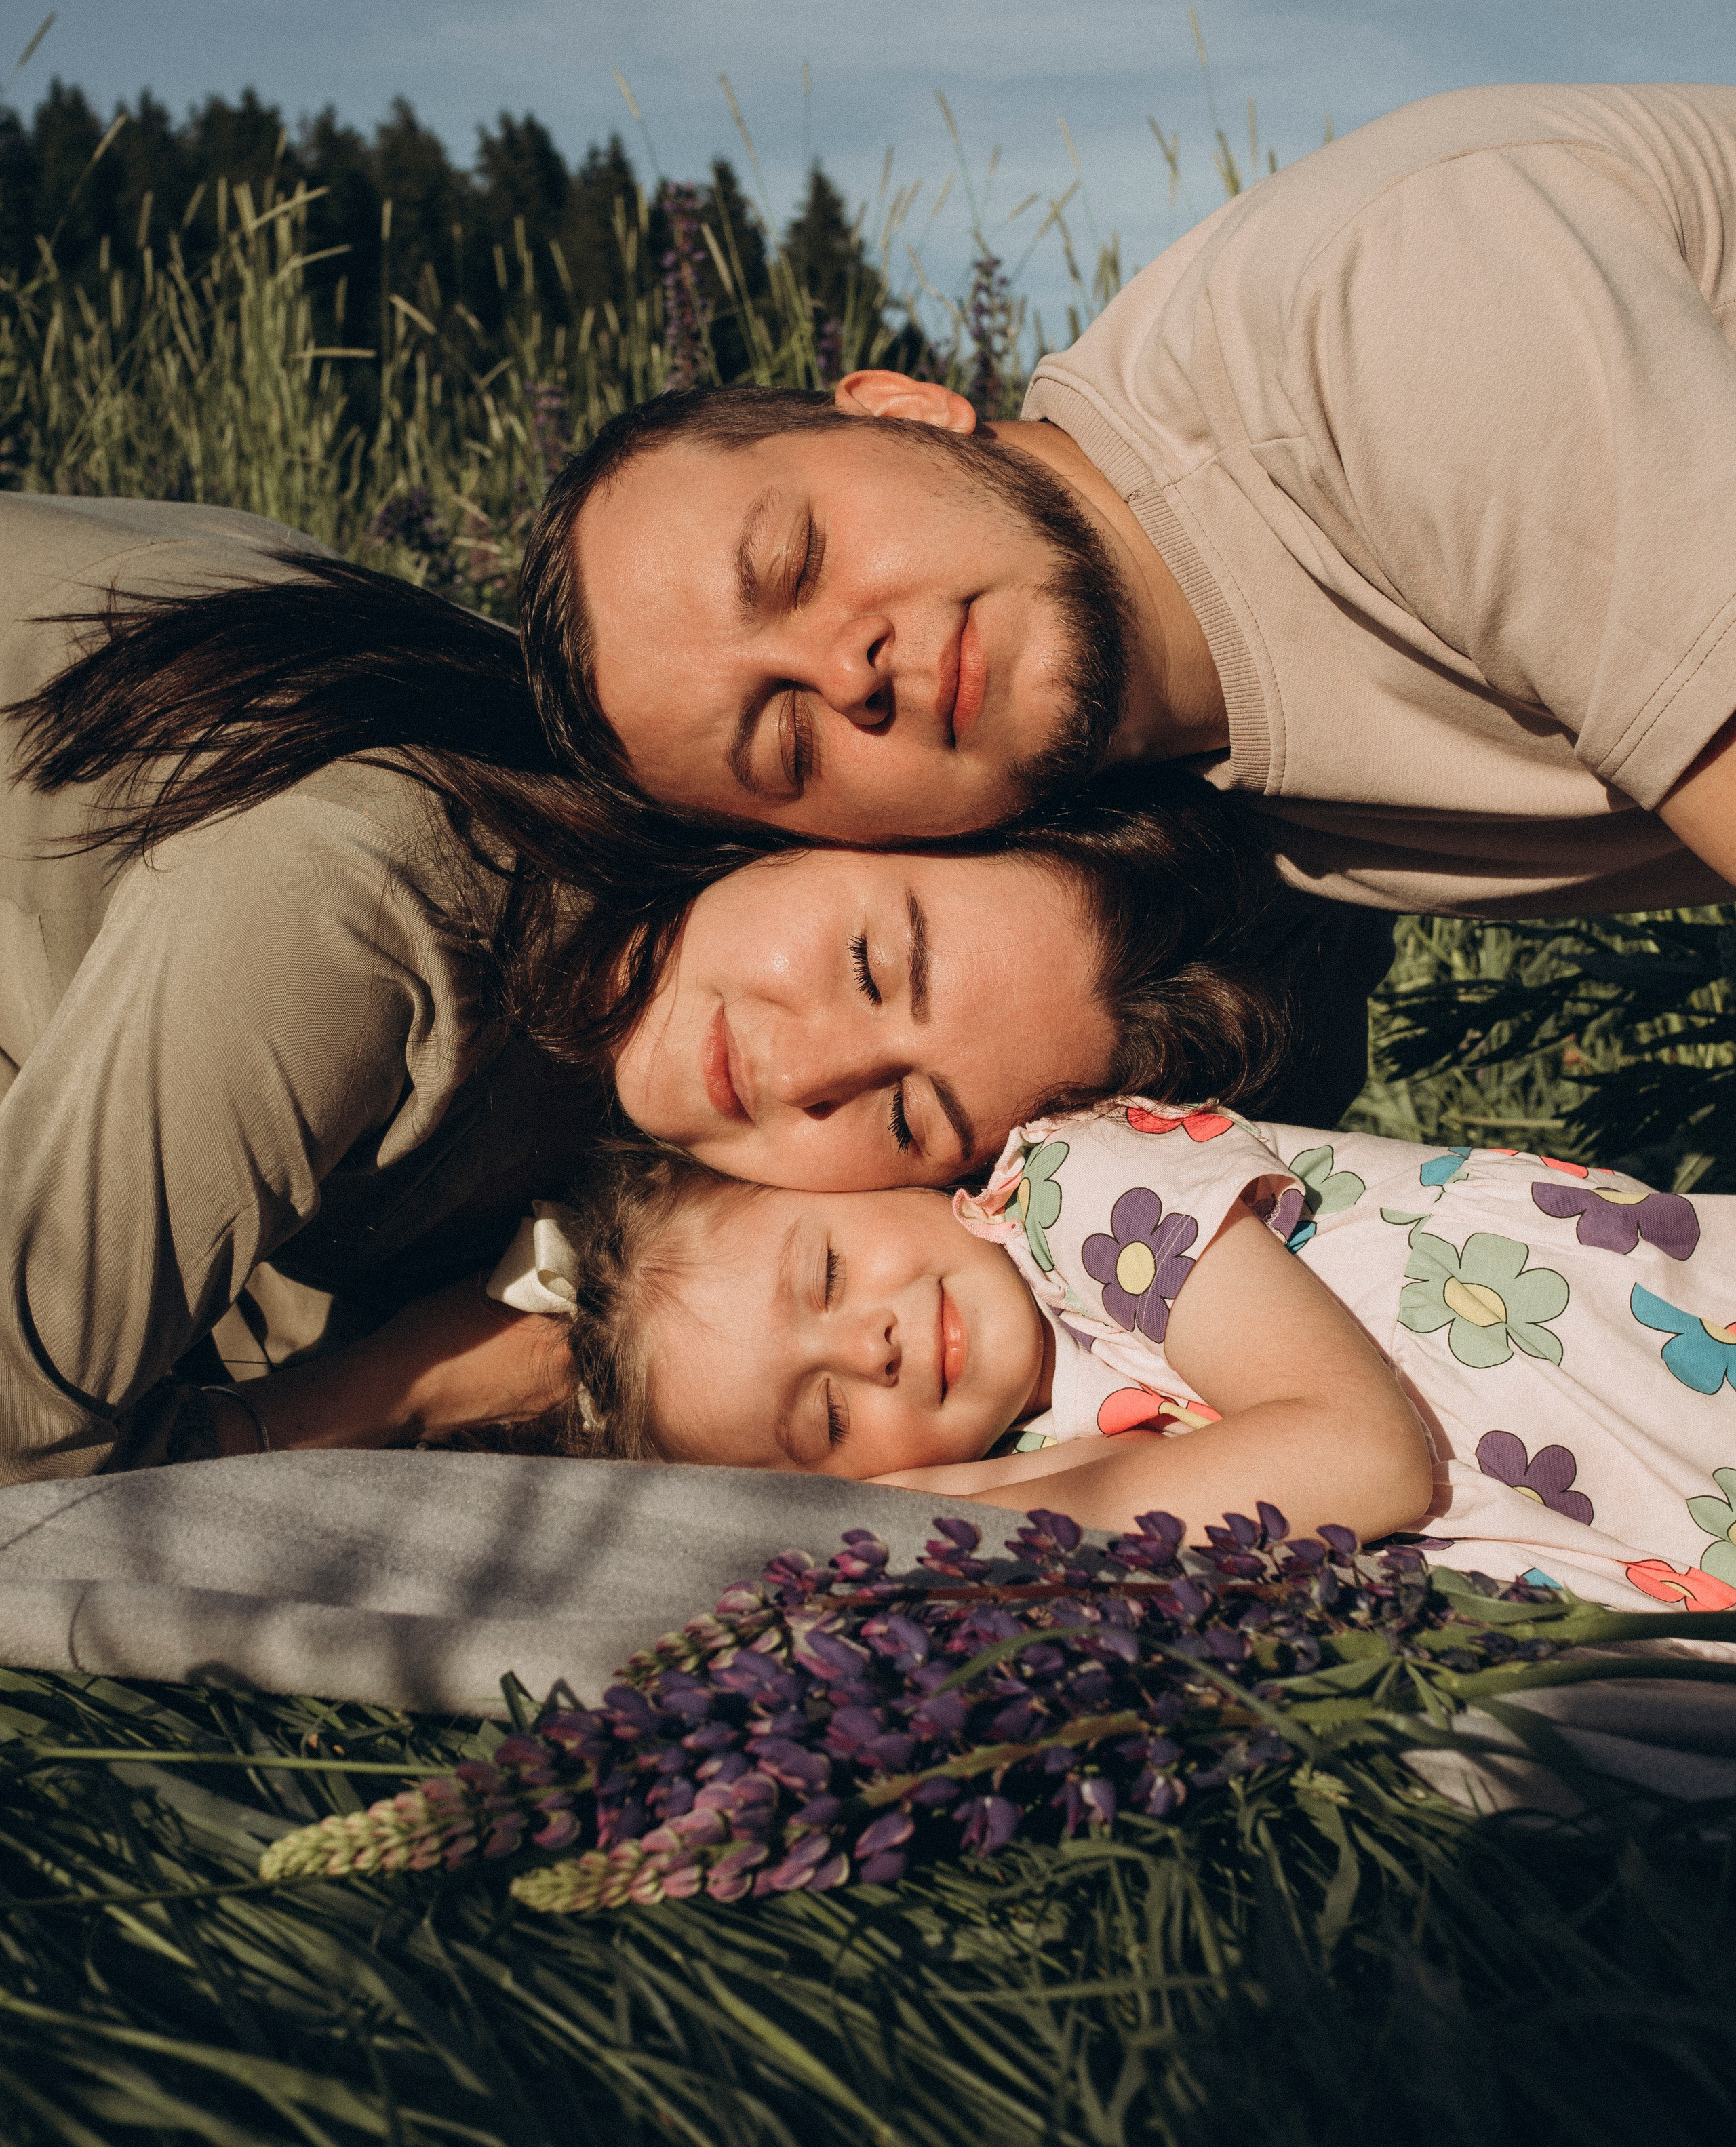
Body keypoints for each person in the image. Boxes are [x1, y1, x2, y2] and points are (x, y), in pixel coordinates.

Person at [0, 490, 1286, 1483]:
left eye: (907, 1118)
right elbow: (36, 1481)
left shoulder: (637, 1002)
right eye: (866, 963)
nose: (813, 1069)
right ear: (825, 812)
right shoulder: (370, 900)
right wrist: (420, 1380)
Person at [517, 81, 1736, 913]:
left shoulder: (1378, 321)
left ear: (905, 405)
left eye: (799, 564)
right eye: (789, 743)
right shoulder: (1196, 809)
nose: (849, 673)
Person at [469, 1100, 1736, 1617]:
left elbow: (1365, 1455)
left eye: (830, 1275)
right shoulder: (1040, 1456)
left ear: (870, 1178)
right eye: (826, 1422)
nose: (876, 1346)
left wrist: (929, 1508)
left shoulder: (1076, 1186)